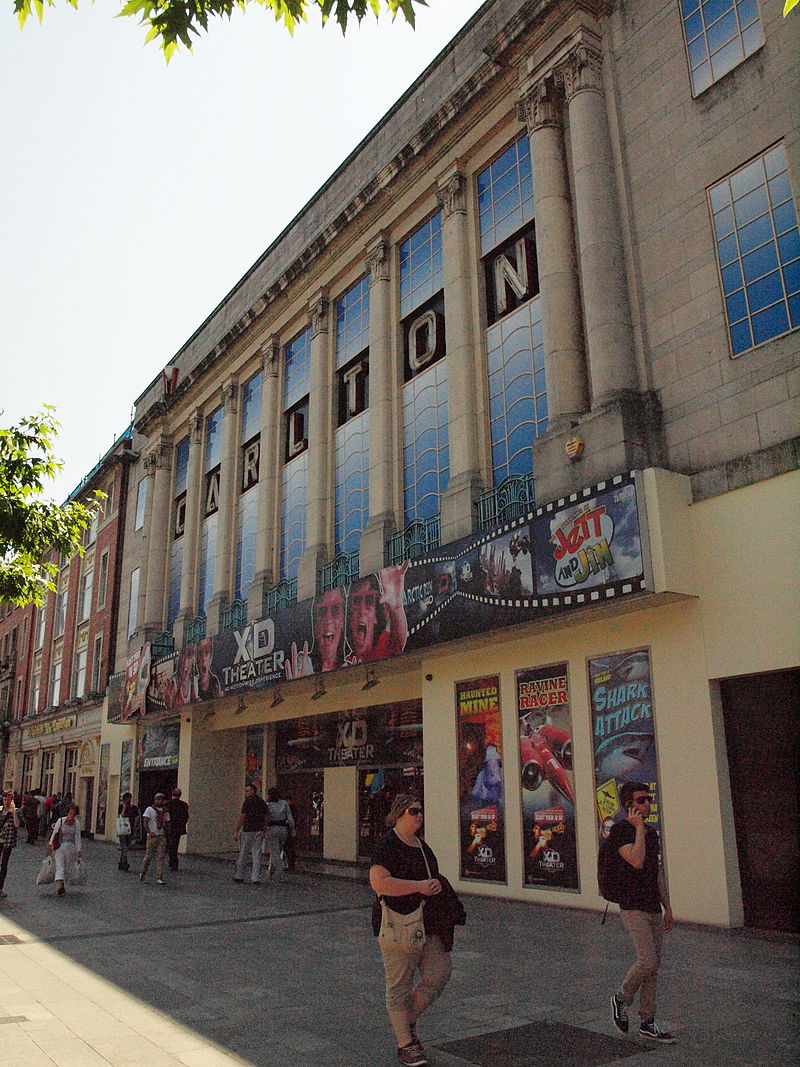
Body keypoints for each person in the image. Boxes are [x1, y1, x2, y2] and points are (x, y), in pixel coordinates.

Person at [370, 794, 458, 1067]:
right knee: (399, 982)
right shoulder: (387, 844)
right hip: (398, 923)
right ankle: (405, 1042)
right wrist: (418, 886)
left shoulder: (421, 845)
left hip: (427, 922)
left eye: (421, 811)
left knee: (439, 973)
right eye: (413, 810)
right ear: (399, 813)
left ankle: (405, 1023)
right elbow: (379, 883)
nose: (419, 815)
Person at [609, 782, 675, 1044]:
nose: (648, 804)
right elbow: (636, 861)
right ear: (629, 804)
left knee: (654, 968)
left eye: (648, 799)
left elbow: (655, 872)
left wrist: (667, 905)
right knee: (646, 961)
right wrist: (637, 828)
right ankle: (621, 998)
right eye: (642, 800)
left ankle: (647, 1021)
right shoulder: (621, 831)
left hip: (652, 906)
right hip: (632, 905)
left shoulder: (652, 833)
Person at [345, 564, 409, 665]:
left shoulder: (382, 645)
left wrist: (396, 608)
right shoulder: (344, 662)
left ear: (376, 615)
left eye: (369, 600)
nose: (362, 610)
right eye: (357, 600)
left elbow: (397, 641)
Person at [233, 784, 268, 884]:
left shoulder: (247, 802)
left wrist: (237, 830)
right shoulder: (262, 802)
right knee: (257, 854)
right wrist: (264, 829)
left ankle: (239, 875)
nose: (246, 793)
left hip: (248, 829)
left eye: (247, 791)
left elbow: (243, 816)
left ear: (253, 791)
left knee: (244, 852)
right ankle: (255, 878)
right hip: (259, 830)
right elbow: (266, 817)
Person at [48, 803, 82, 897]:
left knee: (66, 866)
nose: (71, 816)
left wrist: (78, 849)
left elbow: (77, 836)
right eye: (70, 813)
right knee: (60, 866)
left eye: (73, 814)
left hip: (70, 847)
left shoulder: (77, 824)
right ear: (67, 813)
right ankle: (59, 886)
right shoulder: (61, 821)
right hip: (60, 846)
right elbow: (55, 833)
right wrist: (50, 845)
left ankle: (62, 883)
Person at [264, 786, 294, 881]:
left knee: (275, 852)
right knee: (278, 850)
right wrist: (292, 828)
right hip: (283, 829)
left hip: (272, 828)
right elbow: (289, 817)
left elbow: (266, 818)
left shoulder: (267, 805)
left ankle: (279, 874)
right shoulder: (284, 803)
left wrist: (263, 829)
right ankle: (270, 871)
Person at [139, 793, 170, 885]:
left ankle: (159, 877)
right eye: (158, 799)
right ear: (155, 800)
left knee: (161, 857)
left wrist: (168, 834)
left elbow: (167, 823)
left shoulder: (165, 811)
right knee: (148, 856)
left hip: (161, 835)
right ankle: (143, 872)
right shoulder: (150, 810)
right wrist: (149, 831)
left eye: (162, 799)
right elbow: (145, 822)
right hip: (152, 835)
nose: (160, 801)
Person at [0, 789, 21, 899]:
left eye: (8, 800)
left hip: (8, 840)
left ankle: (0, 888)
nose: (6, 802)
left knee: (4, 864)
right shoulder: (0, 810)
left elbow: (17, 825)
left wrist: (13, 812)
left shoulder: (15, 811)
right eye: (4, 799)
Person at [165, 788, 190, 870]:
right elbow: (186, 817)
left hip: (170, 827)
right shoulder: (184, 804)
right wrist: (182, 825)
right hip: (179, 828)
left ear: (172, 794)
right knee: (175, 845)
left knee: (170, 845)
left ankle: (172, 862)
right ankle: (174, 862)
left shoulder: (168, 804)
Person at [196, 636, 223, 701]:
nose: (203, 658)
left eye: (207, 652)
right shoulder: (193, 683)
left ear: (211, 658)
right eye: (200, 653)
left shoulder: (215, 682)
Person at [117, 791, 139, 871]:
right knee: (124, 847)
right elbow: (121, 816)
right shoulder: (121, 807)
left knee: (127, 846)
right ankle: (124, 863)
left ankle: (121, 862)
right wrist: (124, 807)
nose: (128, 800)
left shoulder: (134, 808)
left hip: (130, 829)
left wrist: (136, 828)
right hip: (123, 829)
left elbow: (136, 818)